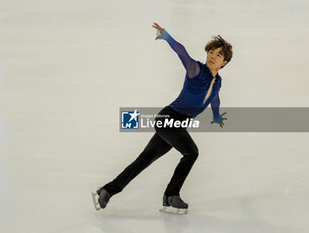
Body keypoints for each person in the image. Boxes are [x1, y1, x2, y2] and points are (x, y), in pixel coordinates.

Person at [92, 22, 233, 214]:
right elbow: (182, 52)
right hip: (169, 118)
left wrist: (216, 116)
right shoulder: (196, 69)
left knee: (143, 160)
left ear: (224, 62)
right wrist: (167, 37)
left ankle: (107, 190)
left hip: (177, 124)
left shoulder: (218, 81)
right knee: (191, 153)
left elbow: (214, 99)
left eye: (218, 55)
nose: (213, 56)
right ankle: (171, 195)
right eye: (211, 52)